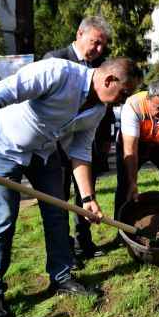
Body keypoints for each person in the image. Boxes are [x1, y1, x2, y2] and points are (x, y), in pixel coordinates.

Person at [0, 57, 142, 317]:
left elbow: (79, 152)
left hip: (43, 153)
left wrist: (89, 199)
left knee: (57, 213)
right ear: (108, 80)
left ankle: (61, 276)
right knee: (3, 220)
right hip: (3, 147)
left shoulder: (98, 110)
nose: (122, 101)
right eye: (124, 93)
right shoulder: (57, 72)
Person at [44, 16, 114, 262]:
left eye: (102, 45)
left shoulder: (102, 67)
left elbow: (106, 109)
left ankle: (85, 240)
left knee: (86, 194)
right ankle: (67, 247)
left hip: (87, 142)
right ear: (79, 35)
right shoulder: (55, 60)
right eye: (95, 42)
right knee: (60, 198)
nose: (98, 49)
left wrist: (105, 140)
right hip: (54, 146)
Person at [114, 79, 159, 219]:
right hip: (135, 144)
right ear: (148, 100)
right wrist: (133, 182)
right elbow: (130, 150)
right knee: (125, 185)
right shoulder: (133, 105)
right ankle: (122, 225)